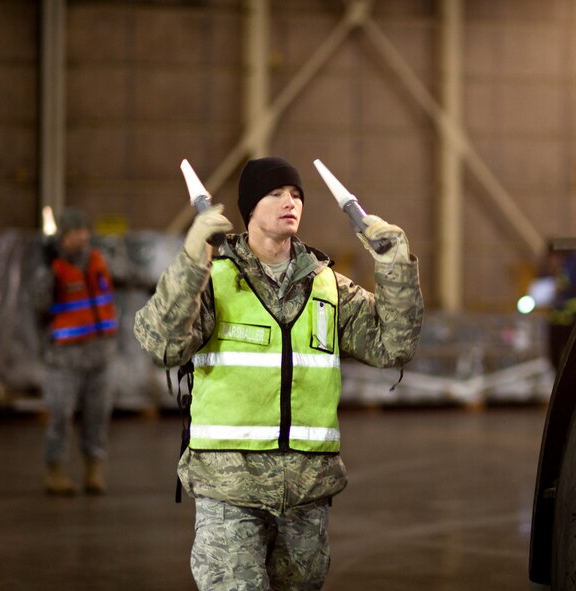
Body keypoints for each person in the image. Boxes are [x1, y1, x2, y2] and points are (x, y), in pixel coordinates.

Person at [133, 156, 423, 590]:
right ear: (250, 207)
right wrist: (193, 259)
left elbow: (394, 344)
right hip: (230, 487)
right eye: (276, 193)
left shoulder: (327, 286)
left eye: (296, 195)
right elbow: (161, 343)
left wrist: (395, 265)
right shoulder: (213, 280)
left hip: (306, 494)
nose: (290, 201)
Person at [34, 207, 118, 495]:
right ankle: (54, 471)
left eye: (83, 231)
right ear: (63, 236)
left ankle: (94, 470)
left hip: (100, 357)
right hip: (64, 360)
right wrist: (47, 271)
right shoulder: (51, 267)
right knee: (59, 417)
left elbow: (126, 278)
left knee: (98, 417)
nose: (80, 237)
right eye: (73, 233)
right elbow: (39, 306)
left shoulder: (99, 261)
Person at [543, 248, 576, 370]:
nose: (551, 262)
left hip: (574, 323)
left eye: (552, 259)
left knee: (574, 361)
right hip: (557, 323)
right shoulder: (557, 270)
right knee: (556, 360)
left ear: (557, 255)